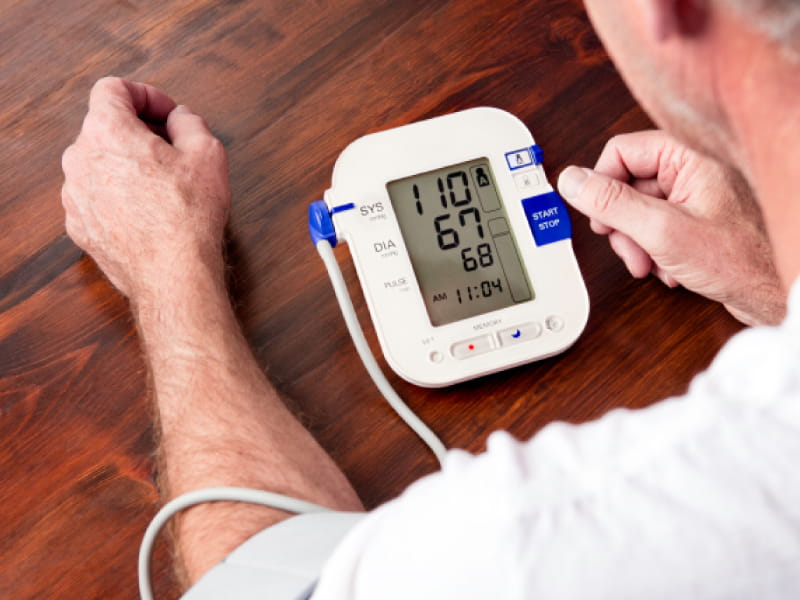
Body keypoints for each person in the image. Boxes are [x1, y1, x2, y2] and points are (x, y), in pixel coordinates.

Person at [60, 0, 800, 597]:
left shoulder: (545, 542)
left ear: (661, 10)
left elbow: (262, 576)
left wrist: (167, 260)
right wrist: (768, 284)